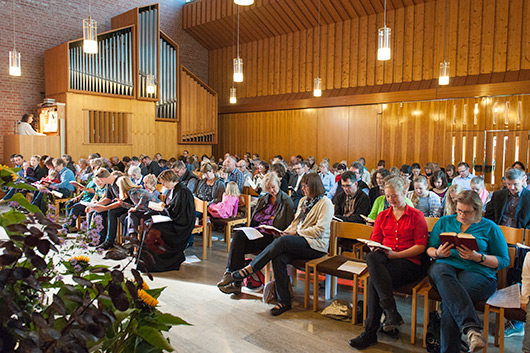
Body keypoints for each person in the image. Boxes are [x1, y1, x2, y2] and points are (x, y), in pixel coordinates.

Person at [222, 173, 333, 316]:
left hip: (316, 245)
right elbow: (296, 223)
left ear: (314, 186)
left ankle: (251, 268)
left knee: (282, 242)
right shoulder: (304, 201)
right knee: (278, 257)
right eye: (303, 186)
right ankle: (284, 301)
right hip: (301, 241)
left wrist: (295, 233)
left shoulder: (325, 203)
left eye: (306, 187)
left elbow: (320, 229)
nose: (303, 189)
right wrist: (285, 232)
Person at [349, 176, 429, 350]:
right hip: (386, 258)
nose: (391, 200)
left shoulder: (416, 216)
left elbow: (420, 247)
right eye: (388, 196)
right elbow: (374, 240)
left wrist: (395, 255)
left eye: (394, 196)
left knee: (373, 281)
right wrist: (378, 249)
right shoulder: (383, 216)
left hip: (409, 261)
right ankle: (390, 312)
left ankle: (372, 331)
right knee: (371, 257)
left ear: (403, 193)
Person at [426, 190, 509, 353]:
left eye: (467, 212)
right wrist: (438, 253)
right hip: (446, 268)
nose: (462, 215)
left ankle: (455, 345)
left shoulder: (490, 227)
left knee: (450, 302)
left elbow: (504, 260)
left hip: (478, 272)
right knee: (439, 269)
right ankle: (471, 329)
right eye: (459, 211)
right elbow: (429, 248)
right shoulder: (444, 221)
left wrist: (479, 257)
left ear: (477, 211)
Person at [217, 173, 294, 294]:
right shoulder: (264, 198)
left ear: (278, 184)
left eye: (273, 187)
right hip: (258, 232)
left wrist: (267, 218)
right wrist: (269, 217)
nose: (271, 190)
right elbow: (256, 216)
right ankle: (231, 276)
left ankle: (235, 281)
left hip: (272, 237)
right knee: (238, 237)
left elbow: (285, 225)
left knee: (238, 246)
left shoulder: (286, 201)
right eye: (268, 188)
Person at [140, 170, 195, 273]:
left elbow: (177, 212)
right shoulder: (173, 189)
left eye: (164, 182)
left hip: (181, 224)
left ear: (170, 180)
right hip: (175, 219)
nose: (163, 185)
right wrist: (163, 207)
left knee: (154, 230)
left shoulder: (182, 191)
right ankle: (147, 262)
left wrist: (163, 208)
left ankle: (157, 263)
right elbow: (172, 207)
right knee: (150, 224)